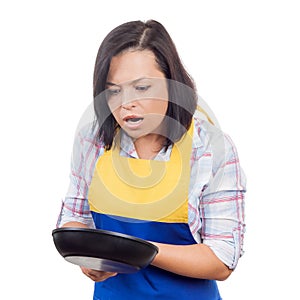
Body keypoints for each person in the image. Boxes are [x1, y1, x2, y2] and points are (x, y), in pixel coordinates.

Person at [56, 20, 246, 299]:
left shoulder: (210, 148)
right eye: (114, 91)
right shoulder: (93, 141)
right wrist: (86, 257)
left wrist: (137, 250)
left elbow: (222, 260)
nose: (126, 103)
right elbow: (75, 216)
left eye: (142, 88)